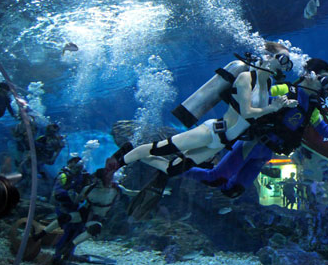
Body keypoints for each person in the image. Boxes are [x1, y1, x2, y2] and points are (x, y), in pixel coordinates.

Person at [183, 58, 328, 197]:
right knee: (216, 178)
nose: (325, 86)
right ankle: (171, 167)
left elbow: (325, 131)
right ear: (308, 75)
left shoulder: (312, 107)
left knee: (233, 190)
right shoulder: (285, 90)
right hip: (252, 144)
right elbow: (253, 96)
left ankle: (201, 163)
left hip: (266, 154)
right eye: (323, 80)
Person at [114, 41, 297, 176]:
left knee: (173, 169)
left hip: (221, 143)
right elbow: (247, 112)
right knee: (158, 149)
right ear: (267, 56)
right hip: (211, 132)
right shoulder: (246, 78)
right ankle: (118, 162)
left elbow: (256, 118)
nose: (283, 65)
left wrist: (282, 106)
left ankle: (133, 152)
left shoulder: (267, 83)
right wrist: (273, 108)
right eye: (282, 59)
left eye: (287, 63)